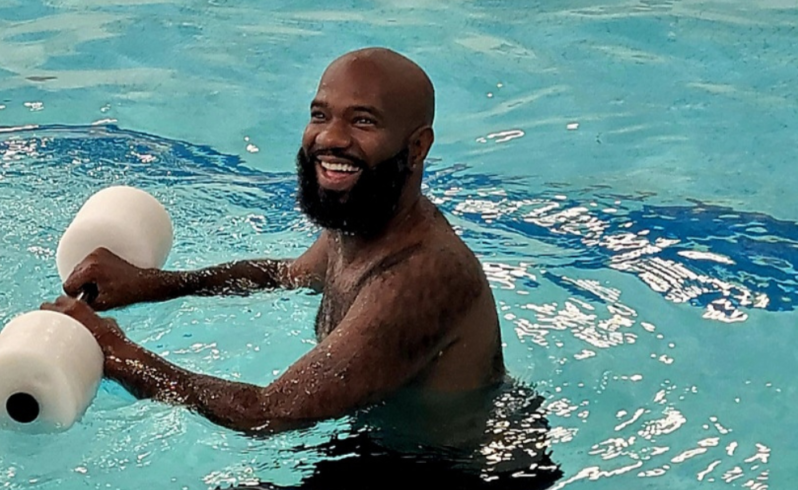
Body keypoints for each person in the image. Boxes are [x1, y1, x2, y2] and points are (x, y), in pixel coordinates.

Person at [42, 47, 507, 444]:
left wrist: (117, 352)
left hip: (447, 489)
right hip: (378, 451)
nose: (330, 138)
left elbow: (269, 413)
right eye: (320, 115)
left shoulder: (422, 275)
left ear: (416, 147)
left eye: (363, 121)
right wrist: (152, 284)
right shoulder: (362, 223)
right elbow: (286, 276)